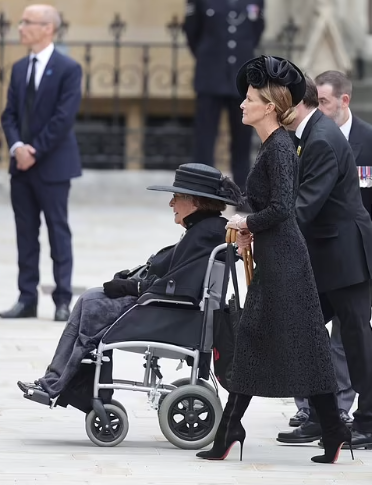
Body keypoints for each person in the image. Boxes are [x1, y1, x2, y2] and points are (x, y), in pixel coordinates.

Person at [195, 55, 352, 464]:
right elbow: (268, 203)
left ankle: (232, 431)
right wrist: (241, 212)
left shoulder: (280, 147)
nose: (242, 105)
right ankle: (333, 432)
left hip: (284, 261)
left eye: (249, 99)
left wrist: (247, 221)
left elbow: (283, 208)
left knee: (271, 343)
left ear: (269, 107)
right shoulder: (272, 146)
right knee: (300, 346)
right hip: (277, 256)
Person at [16, 163, 242, 403]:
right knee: (89, 300)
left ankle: (61, 385)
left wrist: (132, 287)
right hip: (165, 307)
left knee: (91, 304)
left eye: (175, 197)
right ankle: (57, 383)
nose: (171, 204)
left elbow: (181, 286)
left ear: (194, 202)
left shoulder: (205, 232)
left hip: (167, 312)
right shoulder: (204, 228)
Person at [275, 76, 372, 450]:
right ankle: (322, 416)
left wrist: (258, 228)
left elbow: (306, 205)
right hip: (326, 254)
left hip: (346, 255)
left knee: (355, 338)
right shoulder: (310, 134)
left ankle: (370, 422)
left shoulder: (320, 138)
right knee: (303, 328)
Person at [0, 4, 82, 321]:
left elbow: (63, 118)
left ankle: (62, 299)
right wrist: (18, 146)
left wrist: (34, 150)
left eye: (27, 22)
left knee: (57, 231)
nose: (20, 27)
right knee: (25, 233)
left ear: (48, 28)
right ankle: (26, 298)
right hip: (21, 168)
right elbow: (9, 115)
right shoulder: (19, 68)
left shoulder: (68, 68)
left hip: (52, 166)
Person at [183, 0, 264, 207]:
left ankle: (242, 194)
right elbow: (192, 31)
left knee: (242, 139)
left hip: (240, 77)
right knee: (205, 138)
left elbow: (256, 31)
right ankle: (202, 193)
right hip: (210, 76)